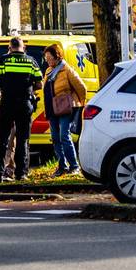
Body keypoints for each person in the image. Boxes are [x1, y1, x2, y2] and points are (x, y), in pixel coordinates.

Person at [0, 36, 42, 182]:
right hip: (25, 104)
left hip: (7, 104)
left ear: (10, 47)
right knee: (23, 139)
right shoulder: (31, 61)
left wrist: (5, 83)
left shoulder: (4, 60)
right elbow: (40, 84)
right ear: (23, 47)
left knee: (2, 140)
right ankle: (21, 174)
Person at [42, 43, 87, 176]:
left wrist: (78, 104)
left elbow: (81, 88)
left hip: (65, 108)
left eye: (50, 58)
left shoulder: (67, 69)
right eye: (46, 59)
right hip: (52, 109)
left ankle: (74, 166)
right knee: (55, 138)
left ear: (57, 57)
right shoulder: (48, 71)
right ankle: (62, 166)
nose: (48, 61)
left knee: (64, 136)